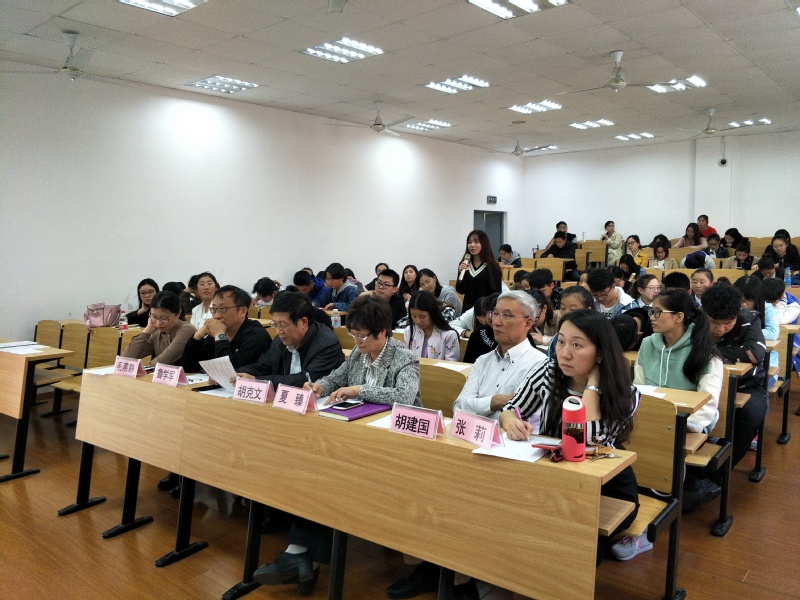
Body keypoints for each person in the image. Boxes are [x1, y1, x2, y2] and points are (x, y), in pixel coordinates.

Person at [253, 295, 420, 596]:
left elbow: (404, 396)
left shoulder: (403, 357)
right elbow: (337, 377)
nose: (357, 341)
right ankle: (299, 554)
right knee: (317, 469)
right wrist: (320, 386)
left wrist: (359, 390)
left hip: (393, 444)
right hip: (356, 435)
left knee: (330, 476)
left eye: (362, 335)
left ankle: (299, 558)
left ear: (383, 332)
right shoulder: (358, 352)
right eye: (353, 334)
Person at [499, 310, 640, 564]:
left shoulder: (626, 392)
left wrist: (593, 386)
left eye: (577, 345)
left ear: (601, 353)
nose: (564, 353)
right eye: (561, 341)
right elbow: (511, 409)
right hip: (553, 476)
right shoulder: (548, 372)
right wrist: (511, 422)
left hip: (605, 486)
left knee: (573, 553)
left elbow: (585, 439)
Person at [612, 290, 724, 561]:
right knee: (617, 445)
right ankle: (626, 512)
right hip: (651, 419)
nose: (651, 316)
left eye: (658, 312)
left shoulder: (704, 351)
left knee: (660, 451)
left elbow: (707, 405)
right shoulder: (648, 344)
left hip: (689, 424)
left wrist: (680, 424)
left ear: (679, 317)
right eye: (652, 311)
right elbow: (638, 389)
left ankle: (645, 531)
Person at [701, 283, 767, 468]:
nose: (720, 329)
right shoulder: (695, 319)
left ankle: (719, 471)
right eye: (714, 322)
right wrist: (735, 352)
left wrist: (709, 351)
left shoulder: (749, 319)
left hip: (745, 385)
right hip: (700, 383)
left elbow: (755, 354)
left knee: (751, 412)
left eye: (728, 323)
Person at [452, 291, 547, 420]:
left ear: (528, 323)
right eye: (495, 313)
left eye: (507, 315)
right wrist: (495, 401)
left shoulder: (540, 365)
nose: (496, 322)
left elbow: (523, 418)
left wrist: (479, 407)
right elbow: (459, 408)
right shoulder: (483, 361)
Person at [235, 291, 344, 387]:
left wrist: (257, 381)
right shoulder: (279, 341)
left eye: (283, 324)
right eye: (275, 324)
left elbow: (306, 379)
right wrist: (235, 374)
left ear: (304, 322)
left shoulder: (327, 344)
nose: (278, 331)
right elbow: (261, 366)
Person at [181, 285, 272, 373]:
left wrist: (220, 336)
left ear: (242, 311)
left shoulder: (256, 335)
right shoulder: (216, 332)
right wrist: (197, 337)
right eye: (214, 309)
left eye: (222, 308)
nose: (216, 316)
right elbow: (188, 368)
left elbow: (230, 373)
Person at [123, 290, 196, 365]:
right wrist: (147, 331)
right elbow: (127, 358)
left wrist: (150, 365)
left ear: (178, 313)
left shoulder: (187, 330)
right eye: (154, 317)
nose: (158, 323)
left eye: (164, 318)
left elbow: (163, 361)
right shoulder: (157, 333)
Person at [455, 230, 502, 312]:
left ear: (484, 244)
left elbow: (496, 293)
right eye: (469, 242)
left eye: (476, 242)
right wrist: (463, 272)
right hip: (467, 310)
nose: (472, 245)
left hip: (485, 311)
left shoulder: (493, 266)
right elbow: (460, 290)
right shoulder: (464, 264)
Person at [404, 291, 459, 361]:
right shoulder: (409, 331)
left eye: (422, 317)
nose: (418, 321)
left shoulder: (449, 335)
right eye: (414, 316)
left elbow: (451, 364)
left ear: (432, 313)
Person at [462, 294, 500, 363]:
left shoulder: (515, 336)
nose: (495, 320)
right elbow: (468, 364)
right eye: (492, 313)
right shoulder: (478, 334)